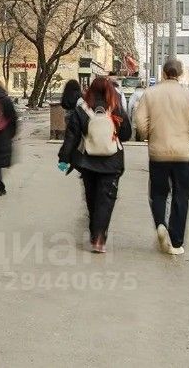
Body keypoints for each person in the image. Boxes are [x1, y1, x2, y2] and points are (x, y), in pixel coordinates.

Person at [134, 59, 189, 256]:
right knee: (181, 195)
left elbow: (140, 122)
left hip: (158, 153)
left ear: (163, 73)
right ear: (181, 73)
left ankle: (161, 223)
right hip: (184, 154)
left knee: (159, 193)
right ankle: (176, 242)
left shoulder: (150, 94)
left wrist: (148, 135)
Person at [58, 75, 131, 253]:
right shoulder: (116, 108)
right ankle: (99, 237)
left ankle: (94, 233)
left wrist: (64, 158)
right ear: (109, 90)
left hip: (87, 162)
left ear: (90, 90)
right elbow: (126, 134)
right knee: (106, 200)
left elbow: (72, 137)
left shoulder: (82, 109)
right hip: (112, 163)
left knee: (92, 199)